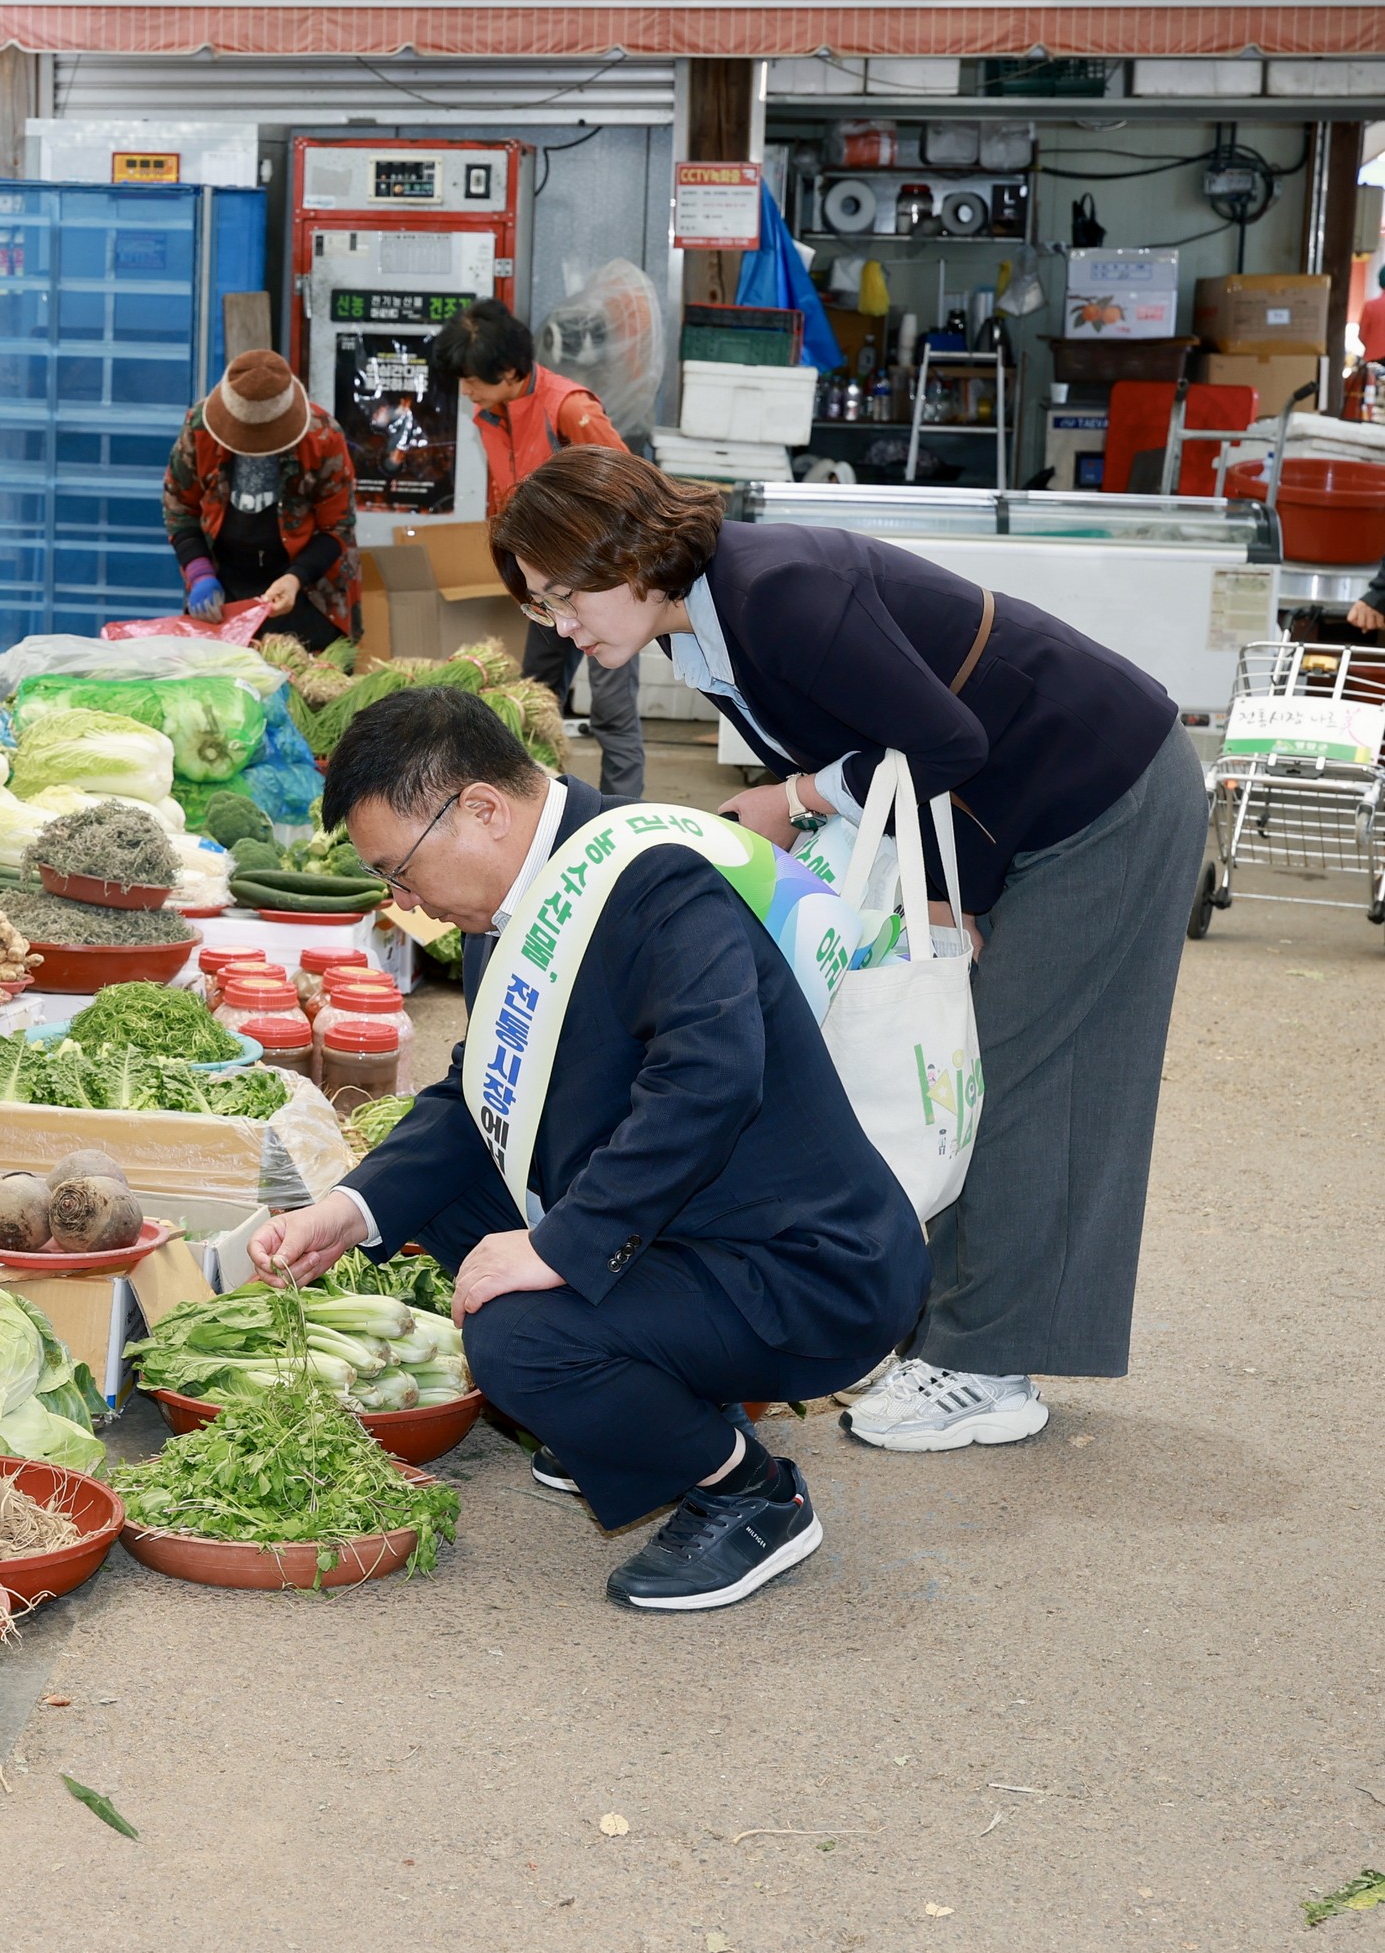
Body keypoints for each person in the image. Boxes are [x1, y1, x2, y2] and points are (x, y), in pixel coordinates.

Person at [489, 445, 1206, 1453]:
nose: (560, 624)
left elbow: (946, 743)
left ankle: (988, 1366)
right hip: (1005, 814)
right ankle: (945, 1333)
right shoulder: (704, 624)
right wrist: (944, 896)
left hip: (1100, 792)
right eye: (542, 604)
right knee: (955, 1071)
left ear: (634, 554)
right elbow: (895, 740)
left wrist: (795, 798)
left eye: (566, 595)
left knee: (1028, 1080)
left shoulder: (777, 592)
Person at [246, 688, 925, 1609]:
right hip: (689, 1226)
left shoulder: (651, 876)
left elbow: (710, 1079)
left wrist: (559, 1247)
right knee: (441, 1196)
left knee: (516, 1337)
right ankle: (659, 1401)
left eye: (400, 873)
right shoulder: (513, 900)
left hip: (804, 1267)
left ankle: (750, 1496)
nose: (405, 903)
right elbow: (476, 1097)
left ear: (481, 808)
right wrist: (349, 1209)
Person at [430, 297, 641, 796]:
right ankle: (537, 805)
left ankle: (624, 812)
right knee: (533, 696)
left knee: (612, 710)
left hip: (601, 582)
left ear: (509, 372)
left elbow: (632, 492)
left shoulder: (570, 409)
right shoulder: (492, 412)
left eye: (471, 381)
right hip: (544, 586)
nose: (465, 392)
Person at [162, 349, 359, 654]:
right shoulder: (200, 429)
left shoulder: (323, 437)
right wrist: (199, 571)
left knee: (307, 675)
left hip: (307, 588)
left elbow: (338, 526)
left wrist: (295, 578)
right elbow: (179, 507)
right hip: (224, 583)